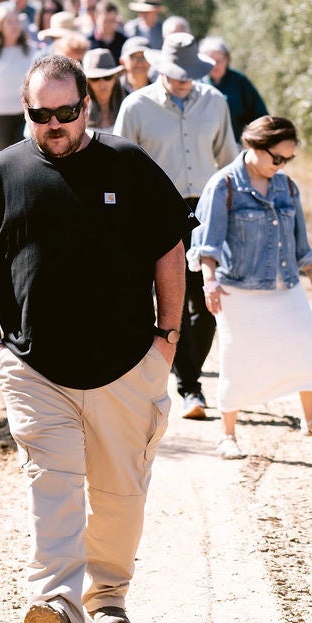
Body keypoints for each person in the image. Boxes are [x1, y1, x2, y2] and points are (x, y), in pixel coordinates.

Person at [0, 56, 187, 623]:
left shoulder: (128, 166)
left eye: (65, 112)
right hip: (34, 368)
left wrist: (168, 337)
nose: (53, 124)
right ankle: (57, 605)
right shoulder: (0, 174)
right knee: (51, 485)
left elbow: (169, 249)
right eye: (39, 114)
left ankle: (107, 596)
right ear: (25, 111)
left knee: (118, 493)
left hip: (128, 363)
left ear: (88, 105)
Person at [193, 116, 312, 457]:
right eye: (277, 158)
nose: (282, 165)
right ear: (253, 147)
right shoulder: (224, 185)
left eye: (288, 159)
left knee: (306, 347)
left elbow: (299, 237)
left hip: (284, 284)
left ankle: (311, 419)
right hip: (238, 290)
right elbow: (207, 244)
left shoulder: (286, 186)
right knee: (238, 359)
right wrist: (209, 280)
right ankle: (227, 434)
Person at [112, 48, 236, 420]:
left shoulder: (215, 102)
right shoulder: (136, 105)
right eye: (177, 73)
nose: (184, 80)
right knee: (173, 302)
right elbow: (119, 162)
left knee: (210, 302)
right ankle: (190, 388)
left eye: (189, 74)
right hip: (158, 211)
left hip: (207, 208)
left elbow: (228, 157)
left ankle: (188, 375)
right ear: (161, 70)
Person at [0, 7, 42, 150]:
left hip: (25, 114)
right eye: (9, 22)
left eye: (17, 21)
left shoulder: (30, 50)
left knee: (24, 155)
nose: (15, 26)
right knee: (4, 155)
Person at [197, 38, 269, 138]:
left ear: (227, 59)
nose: (214, 65)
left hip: (236, 144)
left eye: (218, 61)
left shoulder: (240, 82)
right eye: (210, 61)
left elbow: (259, 115)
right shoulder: (196, 82)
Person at [82, 48, 129, 129]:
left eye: (108, 77)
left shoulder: (129, 110)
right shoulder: (78, 114)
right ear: (87, 82)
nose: (102, 84)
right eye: (95, 79)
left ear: (115, 78)